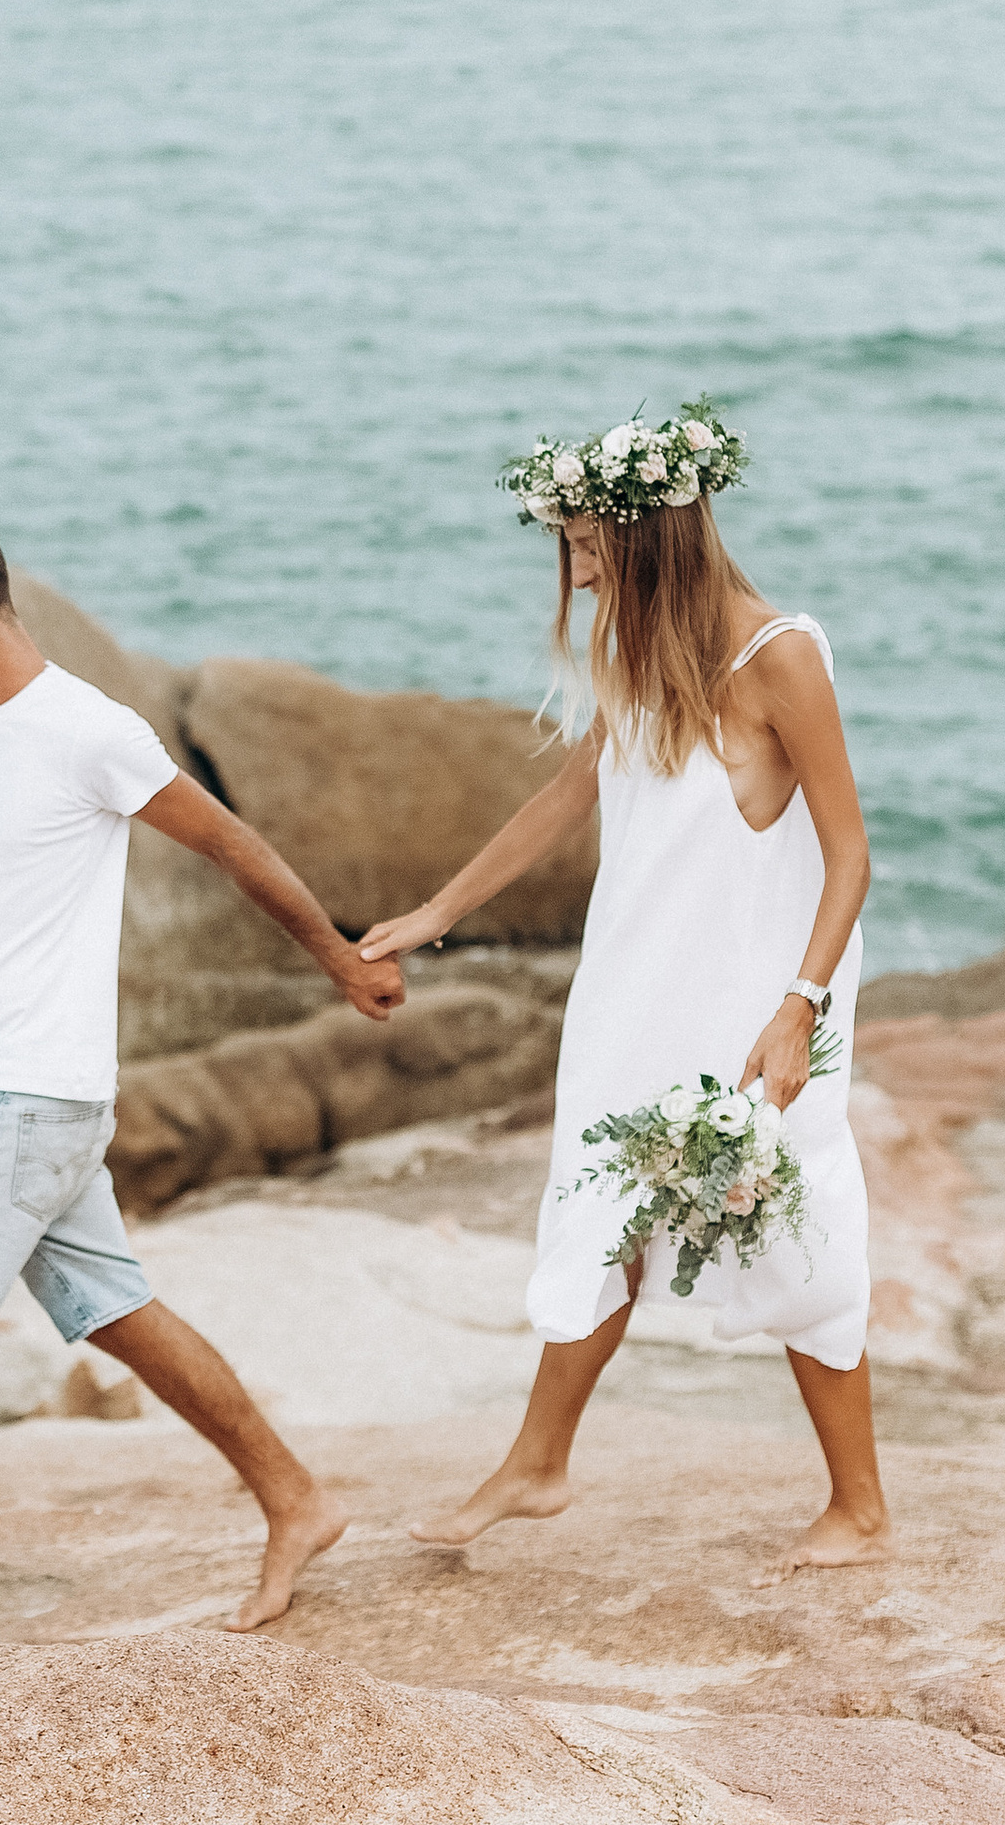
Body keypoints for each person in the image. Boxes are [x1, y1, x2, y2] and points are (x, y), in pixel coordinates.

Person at [0, 500, 407, 1643]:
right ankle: (297, 1498)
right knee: (114, 1309)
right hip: (32, 1090)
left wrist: (340, 961)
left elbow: (231, 842)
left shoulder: (88, 730)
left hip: (28, 1095)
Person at [358, 401, 890, 1577]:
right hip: (636, 990)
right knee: (600, 1206)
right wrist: (441, 913)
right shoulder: (644, 652)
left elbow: (850, 851)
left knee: (793, 1219)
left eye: (590, 548)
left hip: (758, 1007)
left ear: (650, 539)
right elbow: (571, 796)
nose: (579, 574)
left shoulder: (776, 655)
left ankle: (858, 1504)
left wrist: (800, 1005)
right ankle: (537, 1464)